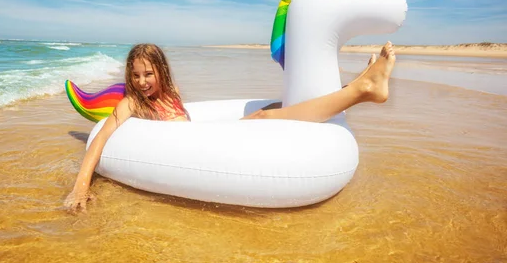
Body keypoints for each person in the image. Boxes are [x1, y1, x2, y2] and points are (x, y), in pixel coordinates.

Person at [64, 42, 396, 212]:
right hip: (200, 149)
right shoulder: (133, 103)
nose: (142, 81)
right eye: (136, 76)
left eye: (148, 74)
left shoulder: (171, 93)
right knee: (265, 118)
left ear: (161, 71)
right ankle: (361, 90)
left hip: (209, 139)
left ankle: (352, 89)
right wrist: (81, 186)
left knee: (271, 110)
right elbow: (102, 138)